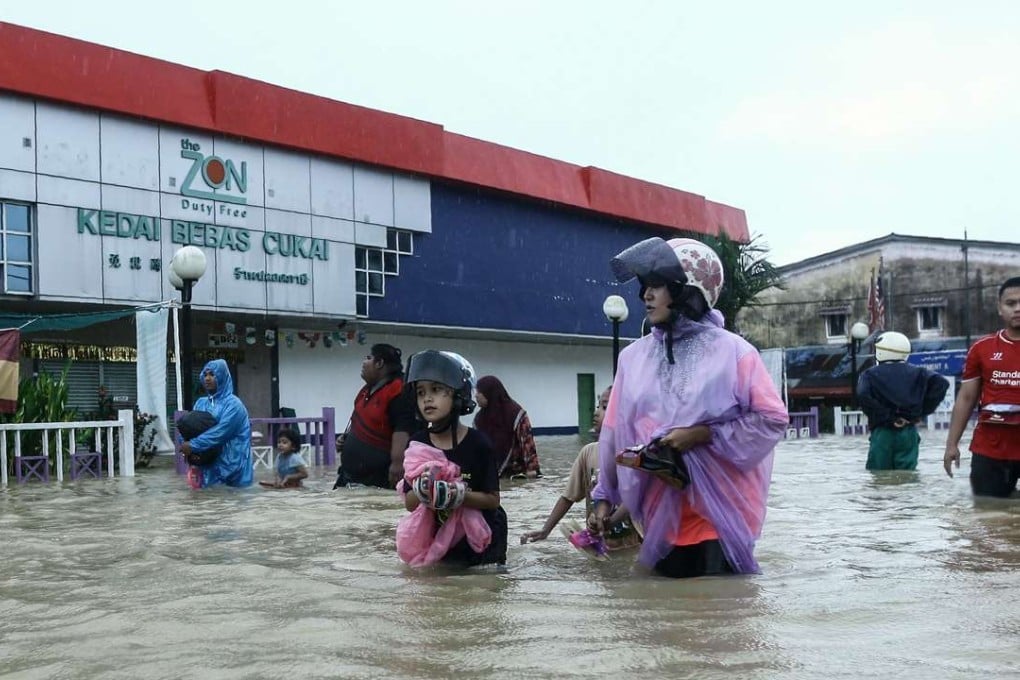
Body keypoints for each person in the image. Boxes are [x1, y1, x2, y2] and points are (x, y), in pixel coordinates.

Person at [587, 237, 789, 578]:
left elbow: (771, 420)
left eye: (658, 286)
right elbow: (613, 432)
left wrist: (702, 434)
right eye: (645, 287)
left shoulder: (735, 353)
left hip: (718, 512)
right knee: (668, 622)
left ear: (688, 291)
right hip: (658, 513)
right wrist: (604, 498)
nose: (646, 296)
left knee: (717, 618)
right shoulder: (633, 359)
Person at [399, 350, 508, 567]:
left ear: (459, 394)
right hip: (438, 546)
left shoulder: (479, 444)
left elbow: (493, 500)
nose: (427, 398)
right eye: (421, 392)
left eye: (437, 390)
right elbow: (410, 504)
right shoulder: (418, 444)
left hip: (481, 546)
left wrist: (458, 496)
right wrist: (423, 490)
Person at [520, 386, 639, 551]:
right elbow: (568, 497)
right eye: (598, 406)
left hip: (634, 547)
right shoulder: (588, 452)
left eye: (605, 407)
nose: (596, 412)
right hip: (601, 546)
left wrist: (609, 522)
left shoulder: (636, 455)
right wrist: (545, 530)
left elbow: (636, 500)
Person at [943, 276, 1020, 497]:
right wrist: (951, 445)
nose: (1017, 309)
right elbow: (966, 398)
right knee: (988, 515)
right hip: (990, 450)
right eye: (1011, 303)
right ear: (999, 308)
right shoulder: (982, 349)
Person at [857, 331, 950, 471]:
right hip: (908, 432)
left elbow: (863, 395)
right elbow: (942, 384)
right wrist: (921, 412)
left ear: (881, 351)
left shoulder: (869, 375)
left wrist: (887, 416)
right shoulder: (920, 372)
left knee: (879, 477)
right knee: (908, 476)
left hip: (883, 432)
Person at [334, 343, 416, 489]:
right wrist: (344, 439)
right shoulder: (365, 391)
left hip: (378, 480)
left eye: (368, 358)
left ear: (379, 363)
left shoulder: (399, 390)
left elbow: (403, 429)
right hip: (349, 478)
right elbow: (359, 422)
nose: (364, 362)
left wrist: (397, 464)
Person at [180, 359, 254, 488]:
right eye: (205, 374)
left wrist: (193, 445)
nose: (207, 378)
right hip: (208, 467)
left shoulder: (234, 405)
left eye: (212, 375)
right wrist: (186, 447)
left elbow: (221, 432)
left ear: (222, 376)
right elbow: (191, 428)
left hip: (234, 468)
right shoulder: (201, 403)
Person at [473, 375, 541, 478]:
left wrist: (532, 469)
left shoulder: (516, 413)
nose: (476, 396)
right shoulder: (478, 420)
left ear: (488, 393)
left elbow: (527, 442)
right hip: (491, 475)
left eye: (479, 392)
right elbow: (478, 450)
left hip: (517, 475)